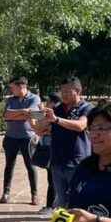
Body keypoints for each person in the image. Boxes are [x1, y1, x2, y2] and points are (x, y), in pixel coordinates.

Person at [40, 77, 93, 208]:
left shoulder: (87, 107)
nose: (63, 95)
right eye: (61, 92)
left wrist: (56, 120)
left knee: (78, 200)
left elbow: (81, 125)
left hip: (77, 161)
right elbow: (40, 128)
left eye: (67, 92)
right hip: (57, 162)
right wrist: (31, 117)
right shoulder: (58, 109)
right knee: (63, 203)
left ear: (78, 91)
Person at [0, 76, 41, 204]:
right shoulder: (10, 99)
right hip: (10, 137)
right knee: (9, 166)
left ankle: (34, 194)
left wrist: (14, 115)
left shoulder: (35, 98)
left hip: (27, 138)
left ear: (21, 86)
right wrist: (23, 112)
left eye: (12, 87)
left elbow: (34, 114)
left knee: (31, 166)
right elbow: (6, 115)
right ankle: (6, 193)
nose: (11, 90)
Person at [33, 92, 63, 213]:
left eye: (49, 101)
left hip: (55, 149)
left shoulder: (56, 114)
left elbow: (46, 130)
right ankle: (53, 204)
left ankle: (52, 205)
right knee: (52, 177)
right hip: (48, 148)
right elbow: (38, 129)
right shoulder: (48, 114)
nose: (47, 103)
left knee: (54, 178)